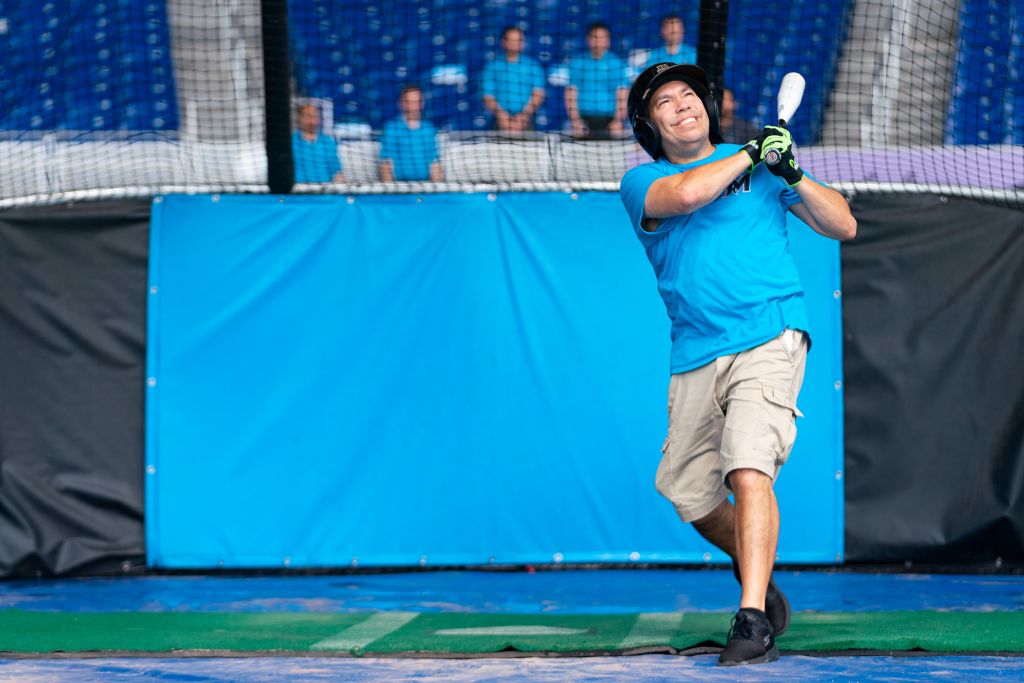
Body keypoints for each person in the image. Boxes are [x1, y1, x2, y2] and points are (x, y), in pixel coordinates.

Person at [619, 63, 856, 666]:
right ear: (649, 125)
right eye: (664, 102)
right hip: (696, 351)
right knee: (690, 496)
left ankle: (751, 620)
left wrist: (792, 172)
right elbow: (692, 194)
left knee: (748, 469)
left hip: (769, 335)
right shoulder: (642, 181)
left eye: (689, 95)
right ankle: (759, 573)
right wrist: (755, 152)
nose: (682, 105)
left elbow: (844, 224)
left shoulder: (763, 166)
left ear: (707, 104)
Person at [565, 22, 629, 139]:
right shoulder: (577, 63)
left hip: (609, 121)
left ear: (608, 40)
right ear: (588, 40)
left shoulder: (617, 64)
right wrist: (576, 121)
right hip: (583, 120)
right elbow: (571, 94)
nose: (598, 41)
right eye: (594, 37)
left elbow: (622, 95)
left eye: (602, 38)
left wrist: (618, 121)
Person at [482, 27, 546, 133]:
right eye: (512, 40)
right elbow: (488, 96)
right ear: (504, 42)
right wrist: (502, 117)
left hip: (525, 122)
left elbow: (538, 94)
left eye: (519, 40)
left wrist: (523, 116)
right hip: (500, 122)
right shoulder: (492, 67)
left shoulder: (533, 66)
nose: (516, 43)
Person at [379, 85, 443, 182]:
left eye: (417, 102)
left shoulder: (428, 129)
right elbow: (386, 164)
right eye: (410, 102)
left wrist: (437, 190)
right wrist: (390, 192)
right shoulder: (391, 128)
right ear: (402, 103)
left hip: (426, 187)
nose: (414, 106)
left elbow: (434, 164)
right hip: (399, 187)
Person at [292, 102, 345, 183]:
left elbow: (337, 171)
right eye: (309, 116)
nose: (313, 121)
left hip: (325, 191)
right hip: (296, 191)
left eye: (315, 116)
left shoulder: (328, 142)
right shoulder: (290, 142)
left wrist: (340, 183)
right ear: (300, 118)